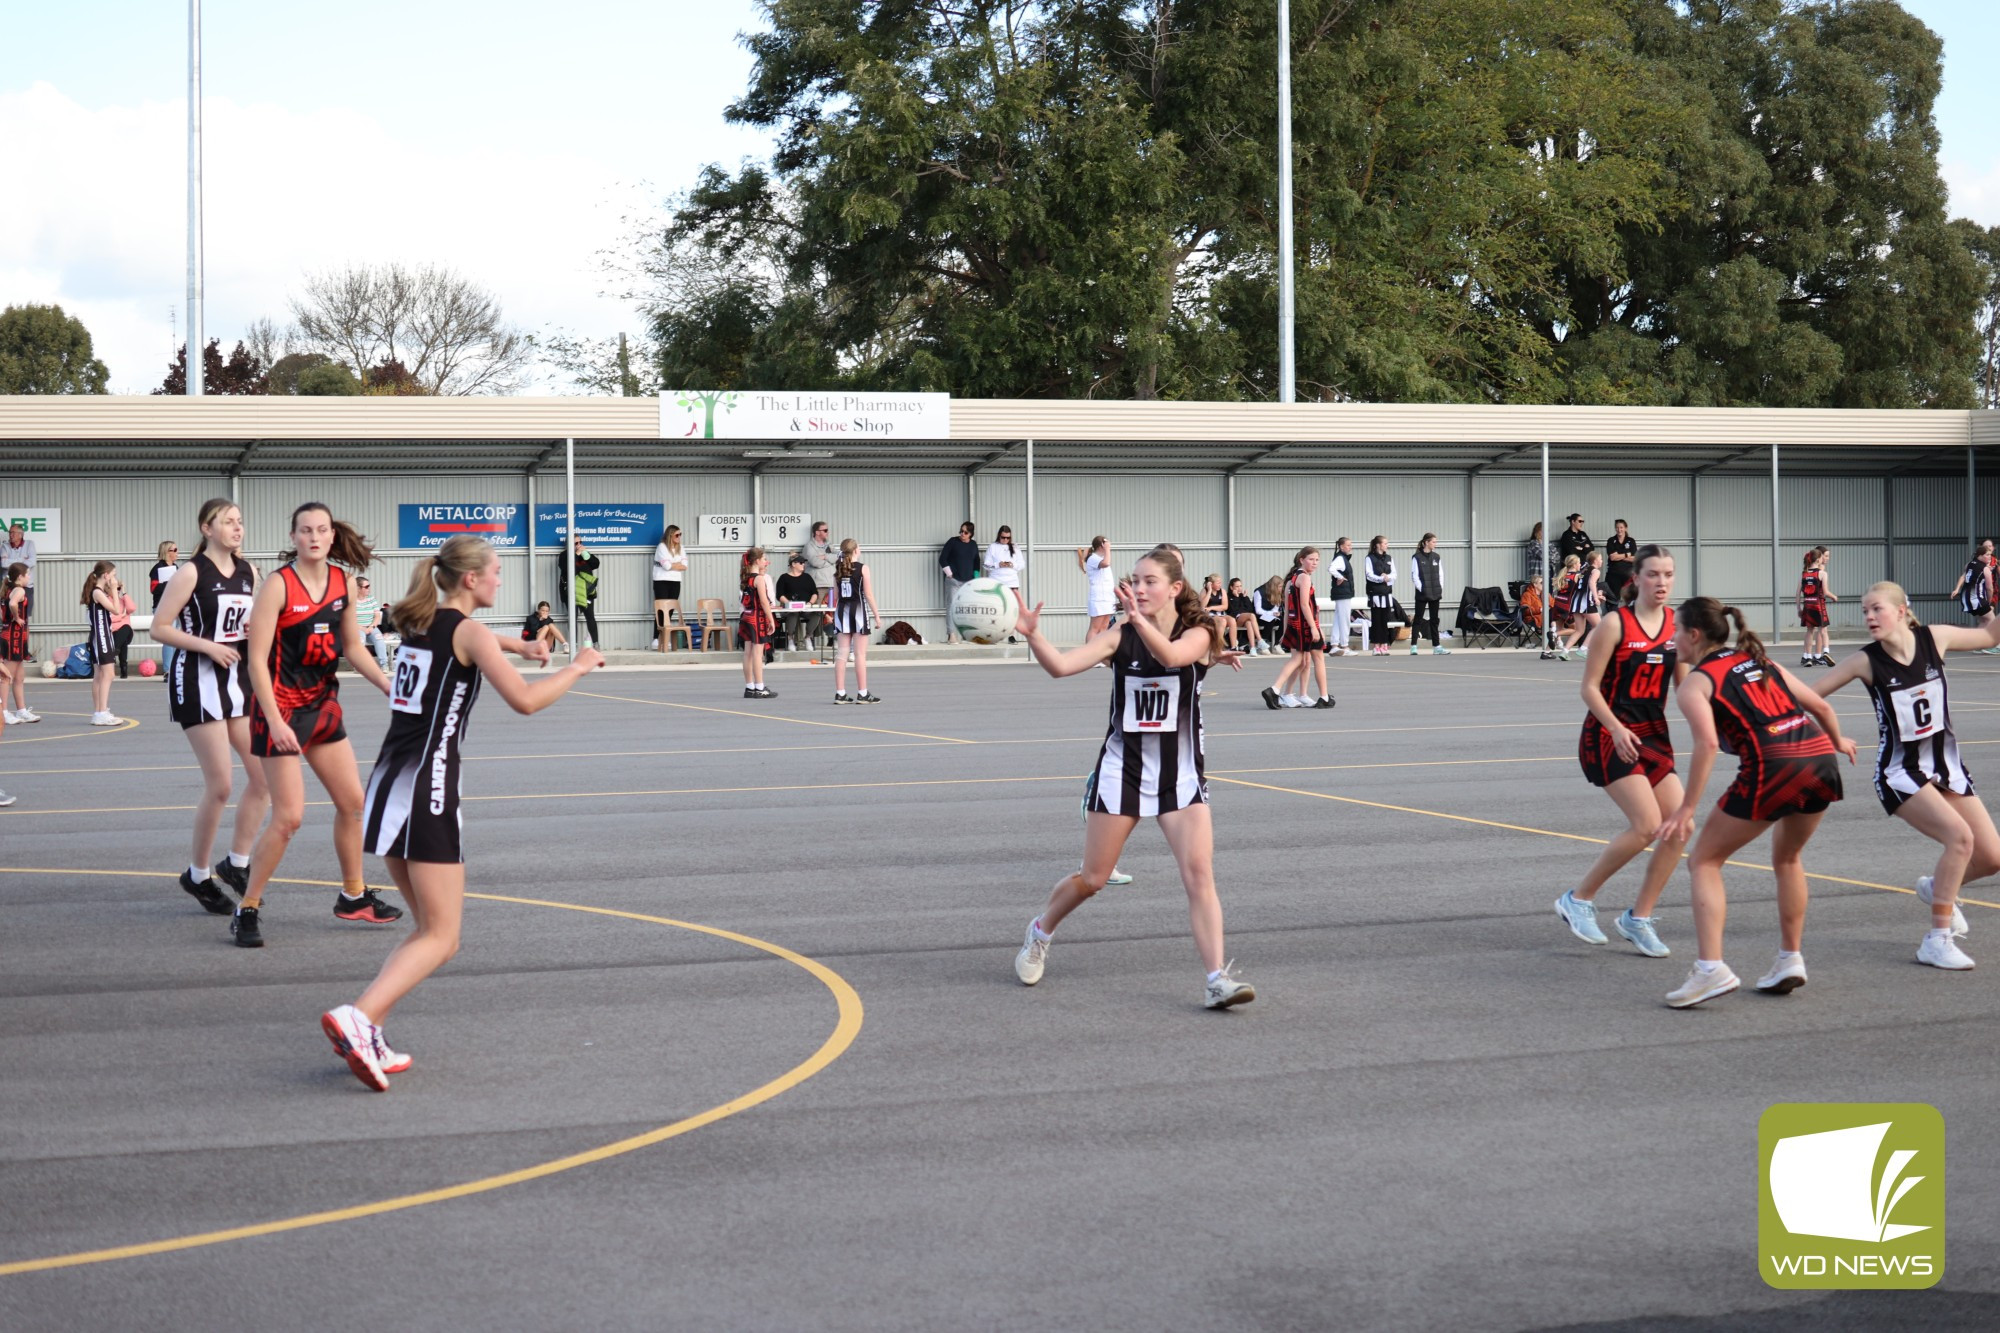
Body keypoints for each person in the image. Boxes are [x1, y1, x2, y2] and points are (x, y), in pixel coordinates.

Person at [322, 535, 605, 1091]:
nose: (500, 578)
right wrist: (579, 668)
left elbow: (469, 640)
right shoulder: (467, 632)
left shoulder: (421, 622)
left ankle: (369, 1027)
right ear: (471, 579)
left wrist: (517, 647)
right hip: (427, 790)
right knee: (444, 936)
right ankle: (357, 1016)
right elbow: (523, 701)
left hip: (387, 783)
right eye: (496, 571)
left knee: (429, 929)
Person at [1010, 546, 1255, 1009]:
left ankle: (1216, 979)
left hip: (1180, 776)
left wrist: (1140, 625)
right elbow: (1061, 667)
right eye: (1135, 581)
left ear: (1174, 589)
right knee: (1094, 878)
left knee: (1199, 874)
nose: (1139, 589)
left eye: (1149, 582)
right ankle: (1040, 931)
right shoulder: (1120, 634)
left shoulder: (1201, 630)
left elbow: (1174, 658)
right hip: (1122, 770)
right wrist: (1034, 636)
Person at [1657, 597, 1856, 1008]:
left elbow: (1708, 744)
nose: (1672, 637)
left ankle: (1711, 968)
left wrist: (1686, 808)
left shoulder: (1696, 682)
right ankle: (1790, 959)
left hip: (1775, 765)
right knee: (1788, 859)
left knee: (1704, 861)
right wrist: (1838, 741)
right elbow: (1818, 705)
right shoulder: (1759, 659)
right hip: (1819, 756)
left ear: (1694, 636)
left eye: (1676, 630)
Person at [237, 502, 401, 949]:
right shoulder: (277, 586)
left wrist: (388, 686)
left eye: (321, 529)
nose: (313, 536)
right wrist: (273, 720)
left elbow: (354, 646)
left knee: (353, 804)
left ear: (331, 537)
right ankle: (247, 906)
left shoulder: (341, 583)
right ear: (293, 537)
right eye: (305, 530)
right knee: (289, 818)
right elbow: (255, 661)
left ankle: (353, 895)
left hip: (321, 704)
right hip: (279, 708)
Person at [1811, 581, 2000, 970]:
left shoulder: (1935, 638)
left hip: (1946, 765)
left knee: (1993, 857)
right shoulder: (1865, 661)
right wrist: (1830, 734)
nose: (1868, 618)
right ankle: (1937, 940)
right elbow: (1812, 694)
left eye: (1876, 609)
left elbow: (1989, 634)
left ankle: (1936, 889)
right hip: (1900, 773)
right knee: (1960, 839)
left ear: (1901, 610)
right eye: (1865, 611)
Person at [1553, 546, 1688, 959]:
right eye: (1653, 574)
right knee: (1647, 824)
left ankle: (1638, 918)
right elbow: (1589, 688)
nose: (1662, 582)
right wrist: (1616, 727)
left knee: (1680, 827)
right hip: (1609, 733)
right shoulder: (1615, 623)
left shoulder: (1676, 625)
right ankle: (1578, 898)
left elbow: (1685, 687)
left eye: (1668, 574)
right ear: (1637, 578)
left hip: (1653, 736)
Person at [151, 497, 271, 913]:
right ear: (207, 528)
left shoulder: (248, 572)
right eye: (228, 522)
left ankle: (236, 862)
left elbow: (247, 625)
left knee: (263, 777)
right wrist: (208, 645)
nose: (237, 528)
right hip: (197, 679)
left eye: (240, 521)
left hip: (236, 680)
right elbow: (159, 628)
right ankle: (198, 875)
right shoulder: (190, 572)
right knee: (221, 784)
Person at [1264, 547, 1331, 709]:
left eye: (1317, 560)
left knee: (1303, 661)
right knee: (1315, 660)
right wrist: (1315, 628)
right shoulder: (1304, 578)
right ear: (1301, 560)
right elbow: (1304, 605)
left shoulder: (1290, 581)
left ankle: (1295, 693)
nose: (1315, 563)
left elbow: (1286, 609)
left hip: (1295, 626)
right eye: (1311, 559)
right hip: (1305, 626)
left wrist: (1286, 629)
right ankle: (1324, 696)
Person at [830, 538, 882, 703]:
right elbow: (868, 594)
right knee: (860, 655)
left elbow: (836, 597)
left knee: (842, 654)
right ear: (855, 550)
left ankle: (840, 693)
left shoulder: (838, 569)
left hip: (842, 613)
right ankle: (863, 693)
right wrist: (877, 615)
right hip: (858, 612)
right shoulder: (863, 568)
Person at [81, 561, 124, 726]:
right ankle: (101, 712)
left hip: (102, 635)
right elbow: (116, 610)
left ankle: (100, 711)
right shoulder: (97, 593)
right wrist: (113, 590)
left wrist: (115, 591)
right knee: (108, 674)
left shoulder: (99, 592)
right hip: (101, 636)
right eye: (113, 575)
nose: (114, 578)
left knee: (99, 676)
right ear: (106, 575)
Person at [738, 547, 778, 699]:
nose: (766, 562)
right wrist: (770, 619)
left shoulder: (745, 577)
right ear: (757, 561)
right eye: (764, 559)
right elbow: (763, 601)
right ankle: (760, 686)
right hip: (756, 617)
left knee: (747, 653)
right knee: (757, 653)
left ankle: (749, 686)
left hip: (746, 617)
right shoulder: (759, 579)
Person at [774, 552, 825, 654]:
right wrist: (789, 603)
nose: (803, 564)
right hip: (789, 608)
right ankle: (790, 639)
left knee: (817, 613)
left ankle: (808, 637)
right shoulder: (783, 578)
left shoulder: (807, 577)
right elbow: (779, 595)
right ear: (793, 564)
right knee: (793, 613)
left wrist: (810, 603)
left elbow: (814, 593)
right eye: (801, 562)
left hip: (805, 607)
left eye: (803, 563)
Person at [939, 521, 981, 642]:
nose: (962, 534)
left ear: (971, 534)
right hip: (953, 581)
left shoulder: (973, 544)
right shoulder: (953, 541)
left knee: (967, 608)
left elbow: (976, 561)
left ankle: (966, 634)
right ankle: (951, 634)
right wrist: (949, 573)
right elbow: (942, 558)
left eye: (965, 532)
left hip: (968, 582)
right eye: (961, 531)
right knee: (951, 607)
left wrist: (976, 578)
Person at [1407, 532, 1447, 656]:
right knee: (1418, 619)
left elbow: (1441, 574)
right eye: (1433, 542)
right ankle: (1413, 645)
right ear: (1426, 542)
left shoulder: (1436, 556)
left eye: (1436, 542)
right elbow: (1414, 576)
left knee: (1434, 620)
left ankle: (1437, 646)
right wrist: (1422, 588)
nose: (1435, 544)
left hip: (1435, 592)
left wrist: (1440, 587)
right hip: (1422, 594)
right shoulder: (1417, 557)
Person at [0, 563, 31, 724]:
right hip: (14, 637)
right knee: (6, 676)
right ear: (20, 577)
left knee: (19, 677)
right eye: (28, 574)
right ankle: (3, 712)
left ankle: (21, 710)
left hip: (13, 635)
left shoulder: (8, 590)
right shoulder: (19, 590)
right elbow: (13, 604)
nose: (29, 577)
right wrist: (17, 618)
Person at [1796, 546, 1835, 668]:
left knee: (1809, 631)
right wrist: (1834, 597)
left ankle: (1807, 657)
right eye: (1825, 556)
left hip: (1807, 605)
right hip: (1818, 605)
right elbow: (1825, 591)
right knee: (1823, 630)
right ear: (1819, 559)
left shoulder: (1804, 574)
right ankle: (1825, 652)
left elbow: (1797, 594)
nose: (1827, 558)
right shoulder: (1822, 573)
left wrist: (1799, 609)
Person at [651, 523, 689, 648]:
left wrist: (673, 564)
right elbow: (666, 566)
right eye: (677, 535)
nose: (679, 537)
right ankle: (656, 639)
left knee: (670, 609)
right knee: (661, 610)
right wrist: (675, 564)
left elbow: (685, 566)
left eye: (680, 535)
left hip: (675, 581)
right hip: (661, 580)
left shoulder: (680, 548)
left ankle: (665, 638)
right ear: (670, 535)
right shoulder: (662, 547)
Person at [150, 538, 183, 681]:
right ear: (166, 552)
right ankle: (168, 670)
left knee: (176, 639)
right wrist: (169, 582)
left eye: (177, 549)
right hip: (163, 606)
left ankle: (175, 669)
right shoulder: (158, 568)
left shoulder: (176, 568)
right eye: (174, 550)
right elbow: (154, 589)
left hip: (177, 605)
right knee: (169, 639)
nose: (177, 552)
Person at [565, 535, 600, 649]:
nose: (579, 545)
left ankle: (595, 643)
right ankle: (573, 645)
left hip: (586, 591)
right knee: (572, 617)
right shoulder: (564, 556)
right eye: (576, 543)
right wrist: (576, 554)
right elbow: (567, 568)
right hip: (572, 592)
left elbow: (596, 564)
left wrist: (587, 555)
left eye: (580, 542)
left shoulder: (585, 555)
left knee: (590, 617)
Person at [1364, 535, 1397, 655]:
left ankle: (1384, 644)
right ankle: (1376, 645)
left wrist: (1388, 578)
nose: (1387, 546)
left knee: (1384, 620)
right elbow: (1369, 574)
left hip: (1387, 593)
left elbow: (1394, 573)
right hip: (1375, 593)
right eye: (1385, 543)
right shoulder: (1369, 558)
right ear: (1378, 545)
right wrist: (1380, 579)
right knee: (1376, 620)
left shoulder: (1389, 558)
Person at [1079, 536, 1117, 639]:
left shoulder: (1100, 558)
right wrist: (1107, 549)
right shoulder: (1093, 558)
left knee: (1104, 627)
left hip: (1107, 597)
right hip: (1099, 598)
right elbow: (1106, 563)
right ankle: (1089, 653)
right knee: (1095, 628)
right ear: (1101, 546)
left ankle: (1099, 652)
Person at [353, 573, 391, 673]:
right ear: (358, 588)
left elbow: (377, 616)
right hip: (357, 628)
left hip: (371, 627)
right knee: (361, 639)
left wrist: (372, 626)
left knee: (379, 638)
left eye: (369, 586)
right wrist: (361, 628)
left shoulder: (372, 599)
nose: (368, 589)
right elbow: (348, 619)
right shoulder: (350, 600)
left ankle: (384, 664)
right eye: (366, 587)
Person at [1326, 537, 1356, 657]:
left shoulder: (1342, 558)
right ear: (1342, 546)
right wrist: (1340, 577)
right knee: (1344, 619)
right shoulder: (1340, 558)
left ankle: (1334, 645)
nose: (1350, 547)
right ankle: (1344, 645)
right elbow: (1331, 568)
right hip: (1343, 593)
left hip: (1342, 592)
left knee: (1339, 619)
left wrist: (1339, 577)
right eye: (1348, 545)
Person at [984, 524, 1025, 610]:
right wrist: (998, 565)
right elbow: (986, 565)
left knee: (1012, 609)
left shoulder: (1015, 547)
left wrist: (1012, 565)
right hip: (996, 583)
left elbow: (1022, 564)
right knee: (996, 609)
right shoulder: (992, 546)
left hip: (1012, 583)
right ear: (999, 536)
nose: (1006, 540)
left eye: (1008, 538)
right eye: (1003, 537)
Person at [107, 568, 137, 679]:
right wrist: (122, 616)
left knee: (126, 628)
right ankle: (124, 668)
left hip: (125, 632)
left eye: (119, 588)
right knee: (122, 640)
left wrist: (124, 592)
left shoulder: (122, 600)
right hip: (113, 633)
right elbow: (109, 619)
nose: (118, 590)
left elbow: (132, 608)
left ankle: (113, 650)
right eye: (116, 588)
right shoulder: (106, 601)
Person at [0, 522, 34, 619]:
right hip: (8, 586)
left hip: (27, 586)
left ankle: (23, 633)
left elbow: (31, 562)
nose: (11, 535)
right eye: (10, 532)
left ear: (21, 534)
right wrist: (22, 560)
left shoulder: (30, 544)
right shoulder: (4, 546)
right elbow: (3, 564)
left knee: (26, 616)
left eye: (13, 532)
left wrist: (11, 562)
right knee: (7, 614)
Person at [1602, 519, 1637, 605]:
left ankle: (1631, 617)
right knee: (1613, 600)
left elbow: (1634, 558)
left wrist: (1619, 556)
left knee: (1630, 599)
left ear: (1625, 528)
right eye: (1617, 527)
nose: (1619, 529)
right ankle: (1612, 616)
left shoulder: (1631, 541)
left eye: (1621, 527)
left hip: (1628, 574)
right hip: (1614, 575)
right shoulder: (1611, 540)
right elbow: (1612, 557)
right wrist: (1626, 554)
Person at [801, 521, 835, 603]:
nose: (827, 532)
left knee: (832, 611)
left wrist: (825, 557)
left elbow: (837, 557)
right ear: (817, 532)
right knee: (818, 610)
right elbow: (815, 562)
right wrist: (830, 561)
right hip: (818, 585)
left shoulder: (829, 544)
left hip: (831, 584)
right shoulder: (809, 546)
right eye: (825, 530)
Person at [1224, 578, 1260, 655]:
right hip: (1234, 620)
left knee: (1249, 622)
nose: (1239, 588)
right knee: (1251, 616)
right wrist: (1236, 597)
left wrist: (1245, 598)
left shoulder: (1243, 596)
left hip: (1245, 619)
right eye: (1237, 586)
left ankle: (1253, 648)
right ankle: (1260, 640)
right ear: (1231, 587)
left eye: (1240, 586)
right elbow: (1232, 612)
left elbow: (1250, 609)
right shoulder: (1227, 596)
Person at [1201, 573, 1235, 649]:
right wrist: (1209, 591)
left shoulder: (1222, 591)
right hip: (1209, 616)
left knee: (1232, 620)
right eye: (1218, 583)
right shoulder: (1204, 591)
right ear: (1211, 584)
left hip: (1220, 614)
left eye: (1220, 583)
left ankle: (1233, 646)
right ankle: (1217, 646)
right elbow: (1202, 606)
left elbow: (1225, 606)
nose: (1220, 584)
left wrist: (1211, 607)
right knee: (1222, 621)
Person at [1251, 575, 1284, 652]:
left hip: (1269, 615)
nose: (1281, 589)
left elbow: (1276, 607)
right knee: (1270, 620)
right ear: (1274, 586)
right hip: (1258, 616)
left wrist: (1275, 613)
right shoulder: (1259, 592)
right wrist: (1270, 613)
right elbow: (1258, 610)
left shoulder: (1277, 593)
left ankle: (1276, 644)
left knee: (1282, 620)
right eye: (1279, 587)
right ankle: (1263, 642)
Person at [1525, 521, 1546, 586]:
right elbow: (1542, 555)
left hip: (1548, 573)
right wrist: (1551, 557)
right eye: (1542, 530)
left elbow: (1557, 557)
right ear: (1537, 532)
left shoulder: (1549, 544)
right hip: (1537, 574)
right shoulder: (1533, 543)